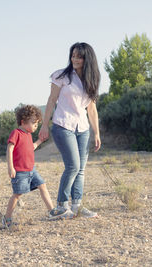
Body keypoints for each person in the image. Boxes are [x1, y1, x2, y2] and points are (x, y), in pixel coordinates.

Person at [38, 42, 101, 219]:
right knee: (73, 166)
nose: (75, 59)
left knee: (81, 169)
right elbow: (51, 100)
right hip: (63, 125)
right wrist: (44, 125)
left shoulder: (91, 80)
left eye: (79, 56)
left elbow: (92, 109)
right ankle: (61, 206)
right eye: (73, 55)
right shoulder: (61, 76)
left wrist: (97, 133)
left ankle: (77, 207)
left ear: (87, 58)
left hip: (83, 128)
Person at [2, 105, 68, 228]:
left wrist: (40, 141)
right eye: (34, 123)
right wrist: (10, 167)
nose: (36, 126)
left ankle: (51, 211)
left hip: (31, 170)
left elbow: (31, 147)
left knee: (42, 185)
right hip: (20, 171)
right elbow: (10, 149)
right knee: (17, 194)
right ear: (23, 121)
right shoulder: (16, 133)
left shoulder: (28, 134)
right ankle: (7, 218)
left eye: (37, 124)